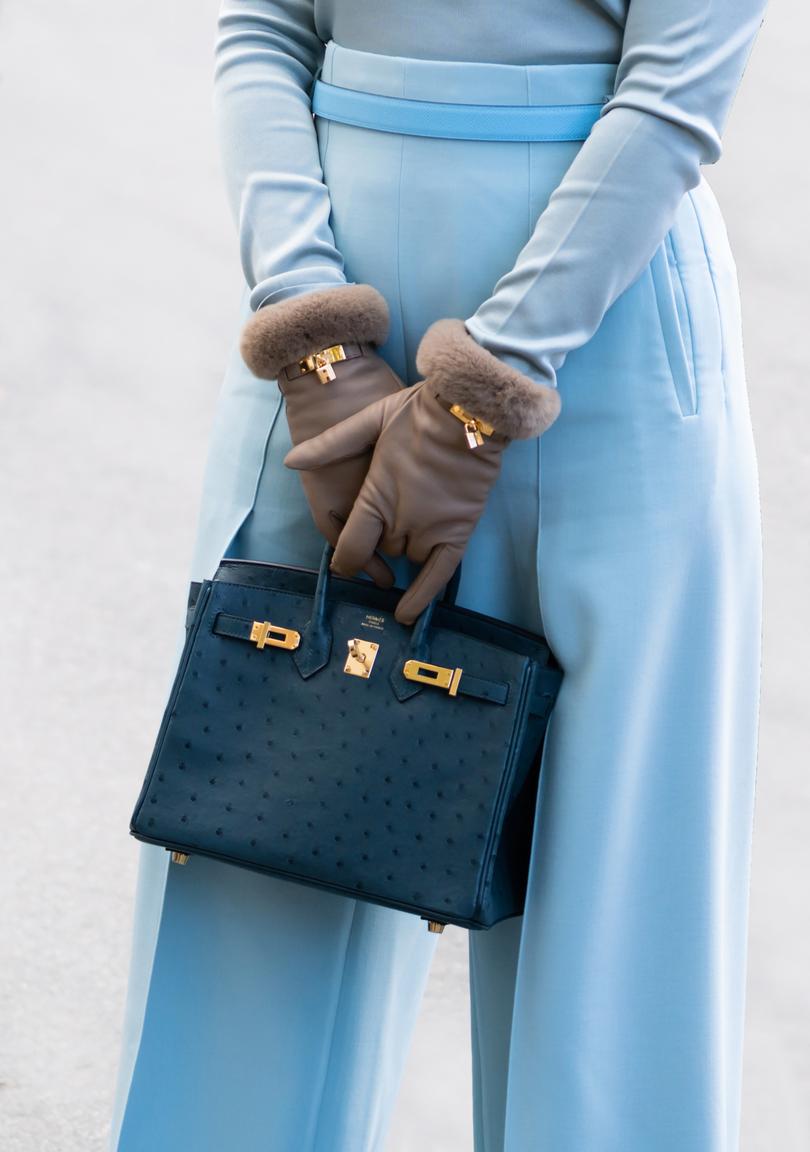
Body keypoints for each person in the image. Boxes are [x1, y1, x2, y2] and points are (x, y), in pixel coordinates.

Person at [108, 2, 768, 1149]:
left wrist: (484, 385)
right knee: (258, 824)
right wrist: (313, 337)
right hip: (325, 321)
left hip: (601, 328)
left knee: (612, 916)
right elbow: (263, 26)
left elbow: (673, 91)